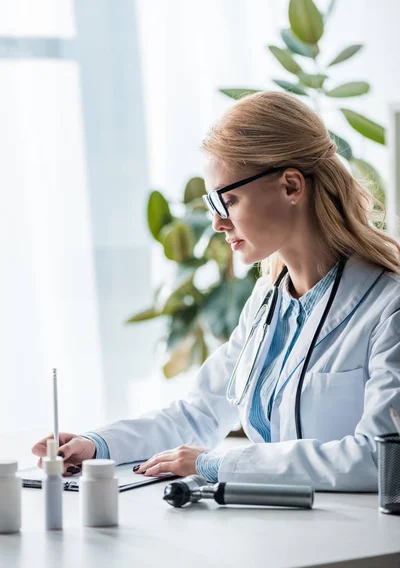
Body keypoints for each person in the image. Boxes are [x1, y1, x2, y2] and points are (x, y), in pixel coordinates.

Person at [32, 91, 400, 490]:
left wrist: (218, 464)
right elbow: (198, 414)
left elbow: (382, 457)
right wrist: (97, 444)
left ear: (291, 186)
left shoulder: (388, 307)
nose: (217, 223)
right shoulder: (266, 303)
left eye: (228, 200)